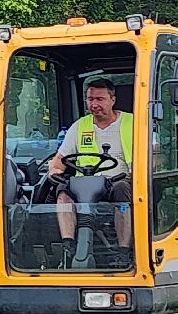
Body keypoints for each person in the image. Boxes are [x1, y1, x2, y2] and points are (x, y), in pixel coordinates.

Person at [47, 77, 134, 257]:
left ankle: (124, 250)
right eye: (90, 99)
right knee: (62, 192)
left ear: (112, 100)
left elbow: (155, 157)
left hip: (117, 180)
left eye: (100, 99)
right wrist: (54, 171)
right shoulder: (79, 126)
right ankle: (68, 246)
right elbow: (59, 159)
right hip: (84, 183)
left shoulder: (133, 123)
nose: (94, 104)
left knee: (122, 192)